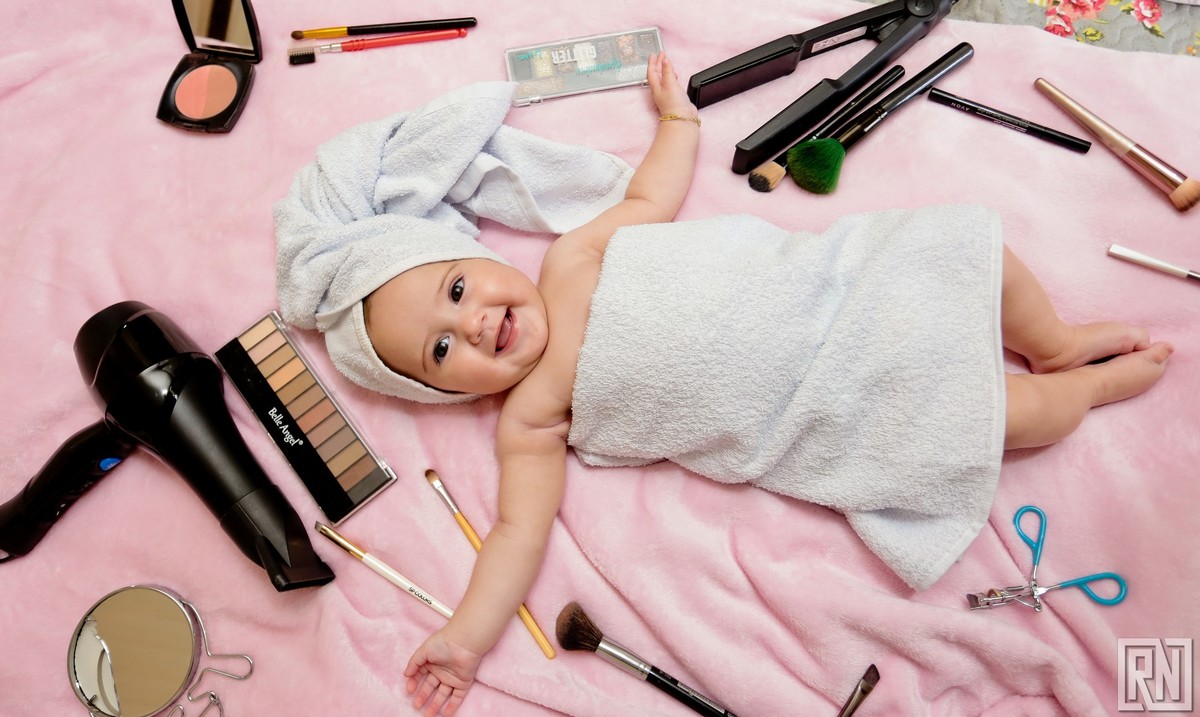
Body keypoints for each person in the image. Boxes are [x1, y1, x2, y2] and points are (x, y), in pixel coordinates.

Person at [341, 54, 1172, 716]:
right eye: (441, 350)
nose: (474, 323)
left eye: (458, 289)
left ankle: (1057, 343)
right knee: (1003, 418)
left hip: (837, 288)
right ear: (442, 393)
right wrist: (465, 638)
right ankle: (1085, 392)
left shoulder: (572, 256)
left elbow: (651, 193)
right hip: (831, 406)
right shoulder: (529, 416)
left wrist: (678, 121)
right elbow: (516, 533)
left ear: (476, 257)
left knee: (977, 259)